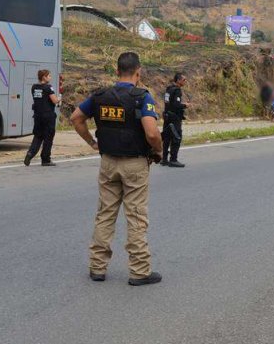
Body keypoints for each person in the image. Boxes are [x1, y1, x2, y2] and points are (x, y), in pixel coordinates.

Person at [70, 52, 163, 286]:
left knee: (105, 214)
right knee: (136, 216)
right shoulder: (142, 97)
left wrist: (92, 142)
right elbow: (151, 132)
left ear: (117, 71)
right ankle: (139, 271)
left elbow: (76, 118)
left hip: (108, 162)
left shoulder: (100, 96)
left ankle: (97, 267)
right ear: (138, 72)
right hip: (135, 164)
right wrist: (159, 150)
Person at [24, 69, 60, 167]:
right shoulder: (48, 88)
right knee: (48, 138)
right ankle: (45, 159)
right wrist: (59, 99)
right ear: (44, 77)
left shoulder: (34, 87)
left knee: (38, 136)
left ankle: (30, 154)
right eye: (49, 76)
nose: (50, 77)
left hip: (37, 116)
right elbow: (54, 101)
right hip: (48, 116)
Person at [162, 73, 188, 167]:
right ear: (178, 80)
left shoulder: (168, 89)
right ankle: (173, 159)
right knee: (177, 137)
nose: (185, 81)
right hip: (174, 118)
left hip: (167, 116)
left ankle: (164, 159)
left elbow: (168, 103)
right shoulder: (177, 90)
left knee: (167, 137)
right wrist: (185, 105)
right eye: (184, 80)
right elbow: (176, 105)